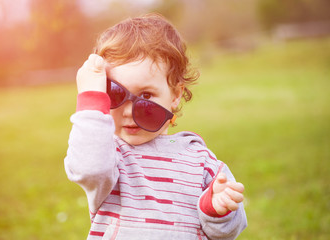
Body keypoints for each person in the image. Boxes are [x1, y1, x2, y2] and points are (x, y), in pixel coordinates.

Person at [65, 13, 247, 240]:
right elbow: (88, 167)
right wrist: (91, 98)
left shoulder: (202, 162)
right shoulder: (109, 156)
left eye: (146, 94)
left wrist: (216, 210)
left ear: (175, 95)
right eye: (116, 93)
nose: (130, 110)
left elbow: (229, 232)